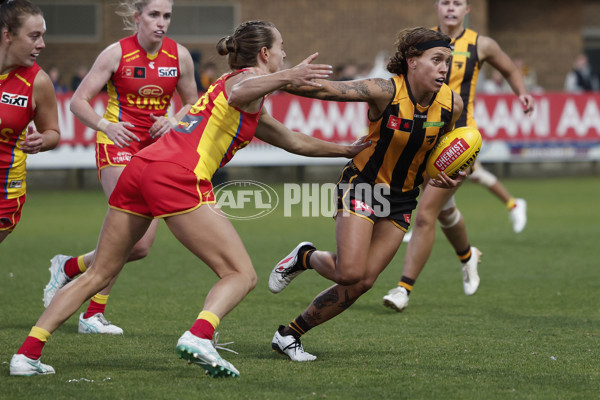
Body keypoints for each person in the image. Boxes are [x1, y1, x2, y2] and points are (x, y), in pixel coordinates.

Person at [10, 19, 370, 377]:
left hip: (142, 168)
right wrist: (288, 76)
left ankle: (27, 353)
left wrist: (345, 150)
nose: (285, 54)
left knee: (100, 272)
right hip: (177, 176)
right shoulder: (241, 83)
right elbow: (241, 91)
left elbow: (296, 140)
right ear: (264, 54)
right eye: (281, 49)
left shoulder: (246, 98)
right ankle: (200, 336)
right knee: (240, 274)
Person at [267, 26, 465, 361]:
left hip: (402, 199)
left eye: (448, 61)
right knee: (349, 273)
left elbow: (437, 153)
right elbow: (329, 90)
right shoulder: (384, 91)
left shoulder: (452, 105)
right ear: (413, 61)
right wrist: (281, 76)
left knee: (362, 283)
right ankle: (305, 257)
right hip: (363, 186)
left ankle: (289, 335)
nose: (445, 68)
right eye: (437, 59)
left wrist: (445, 173)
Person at [41, 0, 199, 335]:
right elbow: (77, 102)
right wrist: (105, 126)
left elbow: (192, 104)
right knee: (127, 235)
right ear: (137, 16)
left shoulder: (179, 56)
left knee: (139, 246)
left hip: (155, 150)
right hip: (118, 144)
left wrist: (173, 120)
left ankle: (69, 266)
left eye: (167, 16)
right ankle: (92, 315)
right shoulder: (116, 54)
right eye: (154, 15)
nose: (161, 22)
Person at [382, 0, 535, 312]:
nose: (451, 8)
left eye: (458, 3)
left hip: (457, 142)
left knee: (425, 214)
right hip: (424, 135)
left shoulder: (482, 44)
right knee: (443, 211)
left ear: (467, 10)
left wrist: (521, 92)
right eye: (445, 2)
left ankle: (403, 289)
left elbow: (507, 67)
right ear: (437, 8)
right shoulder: (423, 42)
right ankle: (468, 256)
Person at [0, 0, 60, 245]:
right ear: (8, 36)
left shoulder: (38, 82)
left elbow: (53, 132)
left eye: (42, 36)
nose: (42, 45)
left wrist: (41, 140)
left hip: (4, 189)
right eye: (34, 36)